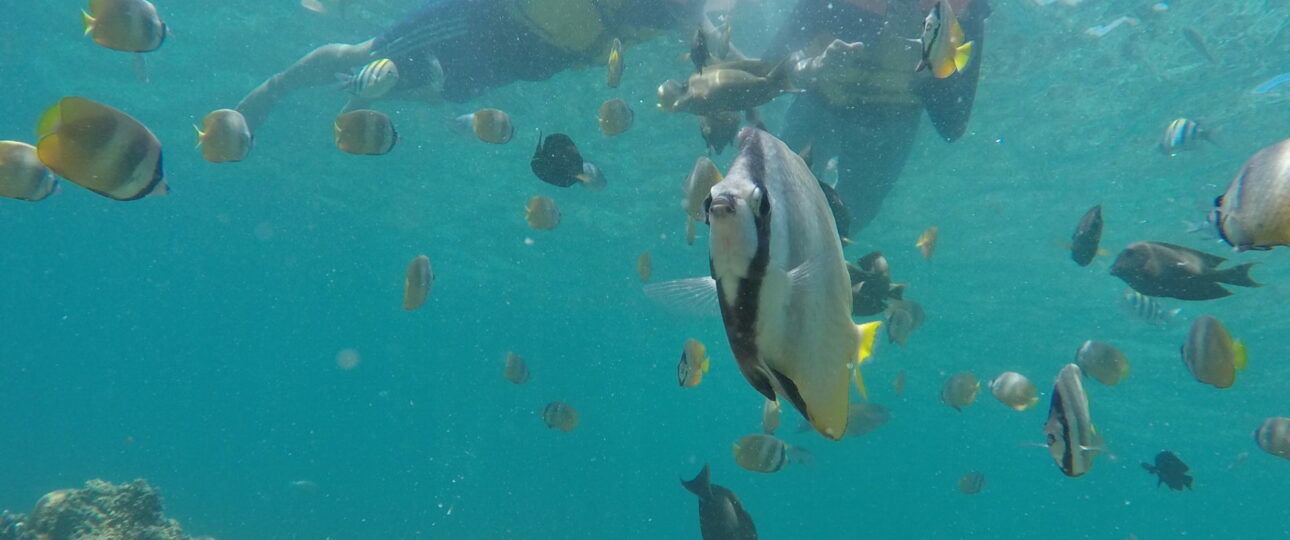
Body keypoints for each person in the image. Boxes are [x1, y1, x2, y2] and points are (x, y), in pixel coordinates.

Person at [235, 0, 708, 132]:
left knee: (433, 90)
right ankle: (275, 88)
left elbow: (706, 54)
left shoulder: (689, 11)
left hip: (534, 60)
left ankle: (358, 101)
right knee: (369, 54)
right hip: (487, 18)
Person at [764, 0, 991, 234]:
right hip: (820, 104)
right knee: (773, 200)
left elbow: (953, 123)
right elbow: (768, 70)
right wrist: (812, 67)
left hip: (890, 125)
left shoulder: (961, 11)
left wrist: (929, 54)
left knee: (850, 221)